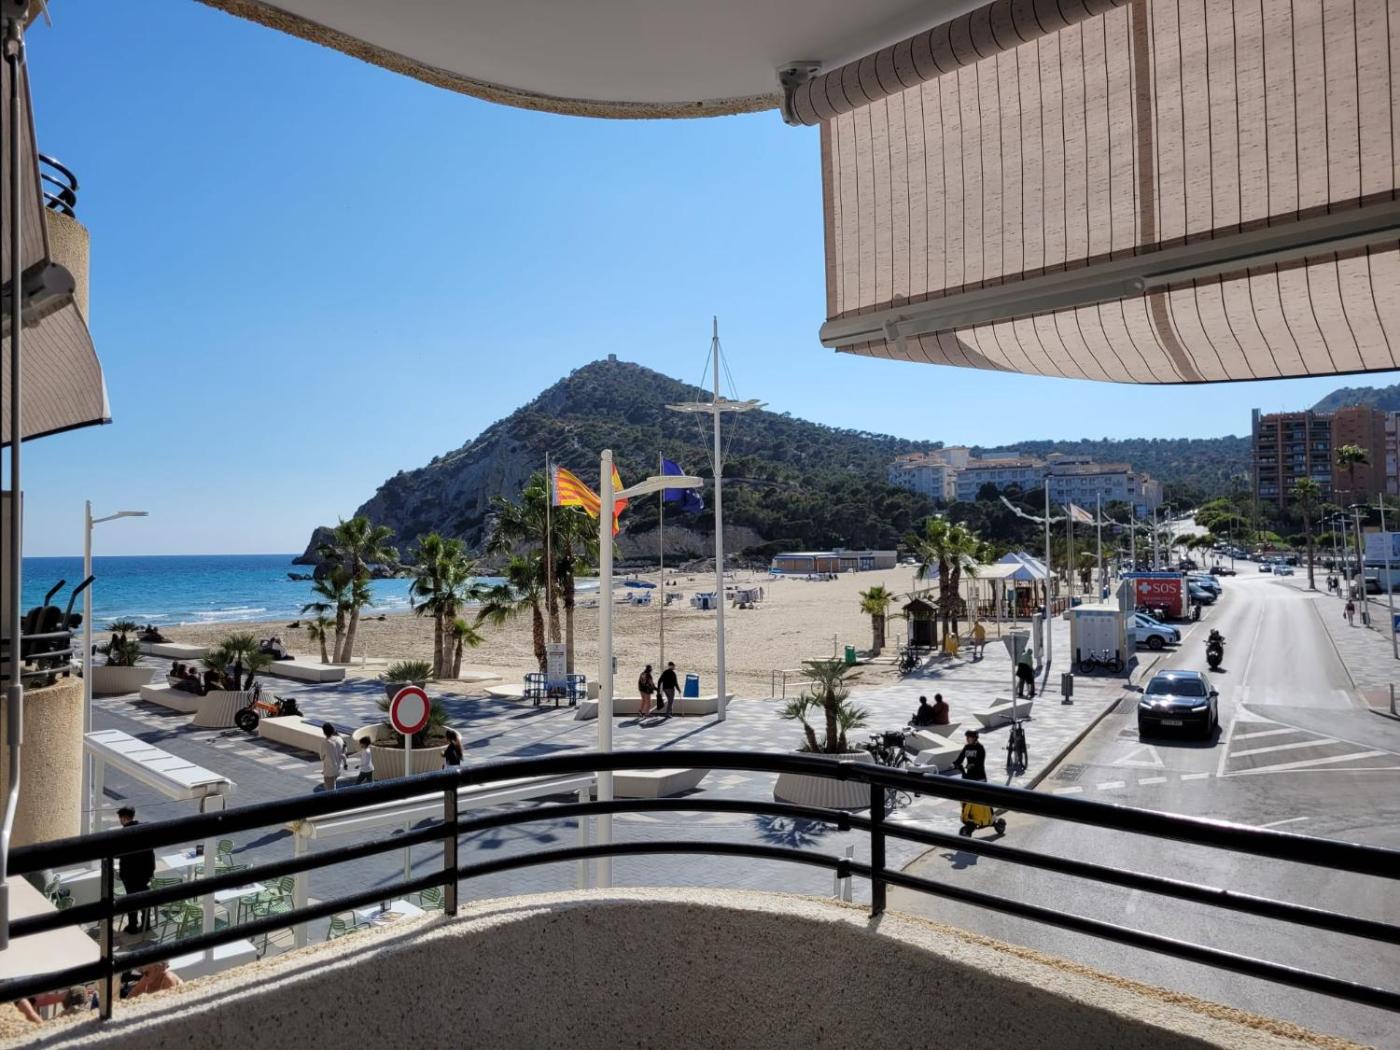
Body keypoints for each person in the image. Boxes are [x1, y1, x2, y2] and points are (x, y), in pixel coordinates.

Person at [116, 806, 155, 936]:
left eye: (120, 818)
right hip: (145, 873)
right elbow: (150, 852)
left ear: (123, 818)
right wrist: (151, 872)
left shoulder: (123, 834)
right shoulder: (144, 829)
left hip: (130, 875)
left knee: (132, 901)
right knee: (144, 900)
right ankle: (146, 924)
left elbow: (118, 853)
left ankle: (132, 926)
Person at [320, 723, 346, 791]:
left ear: (324, 732)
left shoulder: (325, 742)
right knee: (332, 786)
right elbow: (344, 751)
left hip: (329, 770)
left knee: (330, 790)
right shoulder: (339, 739)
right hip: (338, 768)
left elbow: (322, 757)